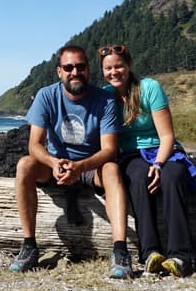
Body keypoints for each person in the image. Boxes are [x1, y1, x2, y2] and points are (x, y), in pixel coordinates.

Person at [10, 45, 133, 278]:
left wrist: (80, 167)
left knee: (113, 169)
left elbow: (109, 149)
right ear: (59, 71)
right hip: (56, 165)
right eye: (68, 67)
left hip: (91, 167)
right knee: (25, 165)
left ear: (88, 70)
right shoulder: (47, 95)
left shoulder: (105, 100)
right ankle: (29, 245)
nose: (74, 72)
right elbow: (34, 144)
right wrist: (54, 162)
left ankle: (120, 251)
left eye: (80, 66)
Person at [99, 44, 196, 277]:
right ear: (103, 71)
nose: (114, 72)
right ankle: (150, 253)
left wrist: (159, 164)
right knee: (137, 176)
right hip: (130, 155)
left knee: (173, 176)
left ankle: (181, 256)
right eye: (108, 68)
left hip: (161, 150)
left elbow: (167, 136)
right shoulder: (105, 96)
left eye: (119, 66)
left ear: (129, 66)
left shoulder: (149, 87)